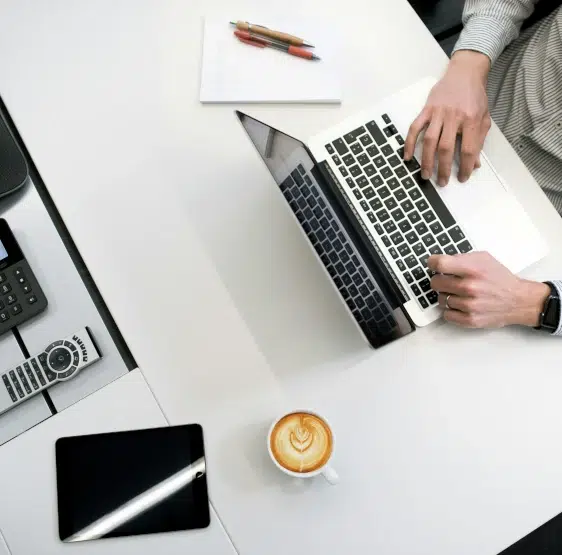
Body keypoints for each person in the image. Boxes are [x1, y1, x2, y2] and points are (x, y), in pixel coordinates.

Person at [404, 0, 562, 334]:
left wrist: (535, 303)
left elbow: (532, 301)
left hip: (527, 260)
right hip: (459, 101)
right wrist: (469, 66)